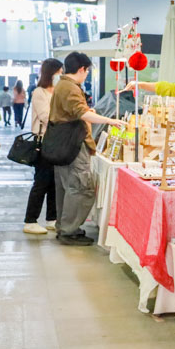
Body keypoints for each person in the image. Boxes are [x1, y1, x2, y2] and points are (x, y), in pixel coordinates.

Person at [50, 51, 124, 245]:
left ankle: (65, 227)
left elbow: (76, 112)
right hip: (73, 145)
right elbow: (82, 114)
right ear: (82, 69)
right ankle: (69, 230)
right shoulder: (70, 87)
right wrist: (110, 120)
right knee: (80, 187)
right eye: (87, 71)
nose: (87, 75)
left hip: (63, 146)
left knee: (68, 188)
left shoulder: (63, 85)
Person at [23, 58, 62, 235]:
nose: (61, 75)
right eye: (59, 72)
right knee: (41, 182)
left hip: (56, 142)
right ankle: (30, 220)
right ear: (51, 73)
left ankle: (51, 219)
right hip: (44, 142)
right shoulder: (40, 92)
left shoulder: (58, 91)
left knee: (54, 182)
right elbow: (47, 117)